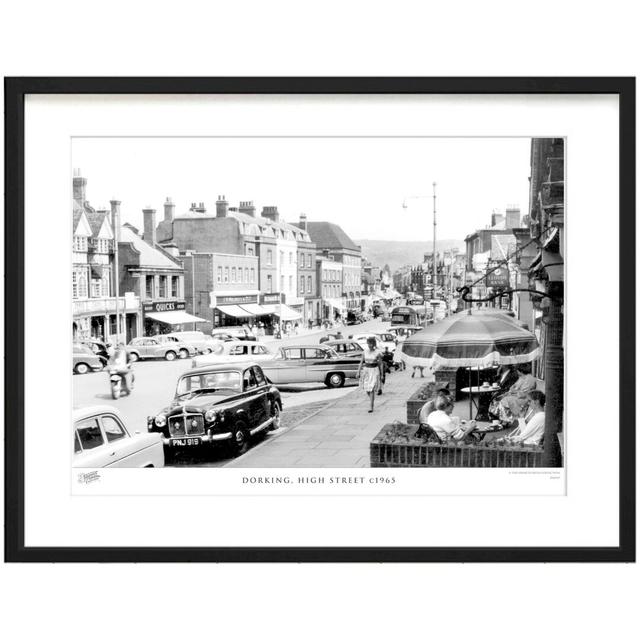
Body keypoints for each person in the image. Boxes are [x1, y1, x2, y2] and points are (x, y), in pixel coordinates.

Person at [489, 363, 537, 427]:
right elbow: (513, 387)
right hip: (518, 396)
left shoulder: (529, 379)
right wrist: (511, 391)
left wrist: (513, 392)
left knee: (504, 400)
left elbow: (524, 393)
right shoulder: (522, 377)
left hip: (525, 398)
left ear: (520, 371)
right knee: (498, 398)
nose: (516, 372)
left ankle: (506, 420)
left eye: (517, 370)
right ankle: (504, 419)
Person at [357, 336, 383, 413]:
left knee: (371, 389)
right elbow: (361, 362)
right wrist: (358, 372)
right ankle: (372, 399)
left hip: (374, 371)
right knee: (367, 389)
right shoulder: (364, 352)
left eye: (371, 343)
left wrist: (381, 375)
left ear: (374, 344)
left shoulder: (377, 353)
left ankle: (371, 406)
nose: (370, 345)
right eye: (369, 343)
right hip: (366, 371)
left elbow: (380, 364)